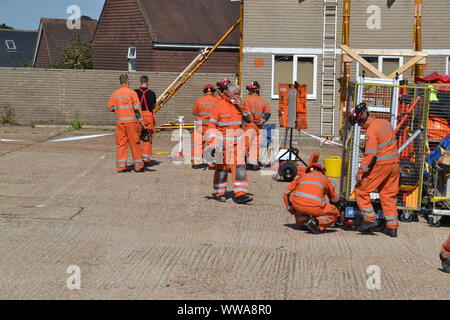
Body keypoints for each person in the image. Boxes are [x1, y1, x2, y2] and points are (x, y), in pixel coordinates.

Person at [349, 102, 400, 237]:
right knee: (388, 194)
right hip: (394, 164)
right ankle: (392, 227)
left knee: (360, 190)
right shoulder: (385, 123)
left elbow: (371, 155)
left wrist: (361, 172)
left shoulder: (371, 130)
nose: (360, 127)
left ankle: (370, 219)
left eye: (359, 124)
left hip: (381, 165)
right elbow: (385, 144)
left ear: (361, 119)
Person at [206, 83, 253, 204]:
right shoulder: (219, 106)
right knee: (221, 169)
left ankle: (241, 193)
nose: (237, 96)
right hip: (223, 144)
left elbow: (248, 119)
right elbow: (211, 125)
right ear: (227, 92)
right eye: (235, 94)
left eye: (239, 94)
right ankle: (219, 192)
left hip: (237, 143)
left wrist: (241, 106)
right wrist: (213, 142)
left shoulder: (239, 105)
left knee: (239, 168)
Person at [283, 164, 340, 234]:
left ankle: (302, 223)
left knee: (297, 199)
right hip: (315, 207)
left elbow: (286, 193)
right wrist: (337, 202)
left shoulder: (302, 177)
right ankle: (315, 222)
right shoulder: (324, 178)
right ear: (321, 171)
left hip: (298, 206)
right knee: (334, 213)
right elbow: (334, 199)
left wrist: (291, 209)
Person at [108, 74, 145, 172]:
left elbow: (110, 107)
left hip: (120, 123)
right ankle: (138, 166)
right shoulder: (132, 93)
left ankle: (121, 166)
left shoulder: (115, 94)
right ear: (128, 82)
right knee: (134, 144)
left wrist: (119, 109)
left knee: (121, 144)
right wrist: (142, 122)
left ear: (120, 82)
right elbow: (137, 110)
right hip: (132, 123)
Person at [243, 81, 271, 170]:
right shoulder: (263, 101)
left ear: (251, 91)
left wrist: (250, 121)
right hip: (259, 127)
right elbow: (268, 113)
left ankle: (242, 163)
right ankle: (253, 164)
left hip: (249, 126)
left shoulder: (247, 100)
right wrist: (262, 121)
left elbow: (244, 114)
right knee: (255, 145)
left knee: (245, 145)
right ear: (258, 90)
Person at [191, 84, 216, 169]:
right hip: (210, 125)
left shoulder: (199, 100)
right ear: (212, 91)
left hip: (199, 124)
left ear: (204, 91)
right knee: (211, 144)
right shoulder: (216, 101)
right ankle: (211, 164)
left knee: (198, 143)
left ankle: (196, 163)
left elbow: (194, 112)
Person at [135, 75, 157, 165]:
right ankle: (146, 158)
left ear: (140, 82)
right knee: (147, 137)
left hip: (137, 116)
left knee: (137, 137)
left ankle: (137, 157)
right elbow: (154, 106)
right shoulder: (152, 93)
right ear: (147, 82)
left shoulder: (135, 92)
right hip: (148, 116)